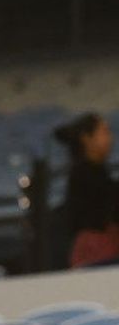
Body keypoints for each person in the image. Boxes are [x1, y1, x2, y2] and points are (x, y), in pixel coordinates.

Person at [54, 112, 119, 268]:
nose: (110, 138)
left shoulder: (98, 172)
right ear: (87, 138)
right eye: (104, 132)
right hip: (96, 253)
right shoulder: (83, 174)